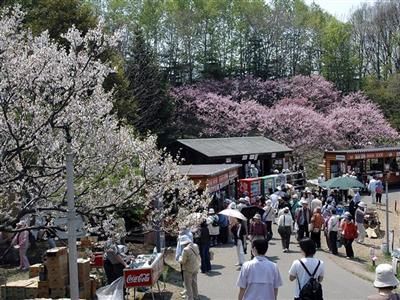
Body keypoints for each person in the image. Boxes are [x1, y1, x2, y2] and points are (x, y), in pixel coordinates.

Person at [178, 236, 200, 300]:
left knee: (188, 285)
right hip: (195, 267)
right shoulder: (195, 245)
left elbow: (183, 261)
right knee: (194, 282)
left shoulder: (185, 250)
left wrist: (179, 258)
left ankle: (190, 298)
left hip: (188, 269)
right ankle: (196, 296)